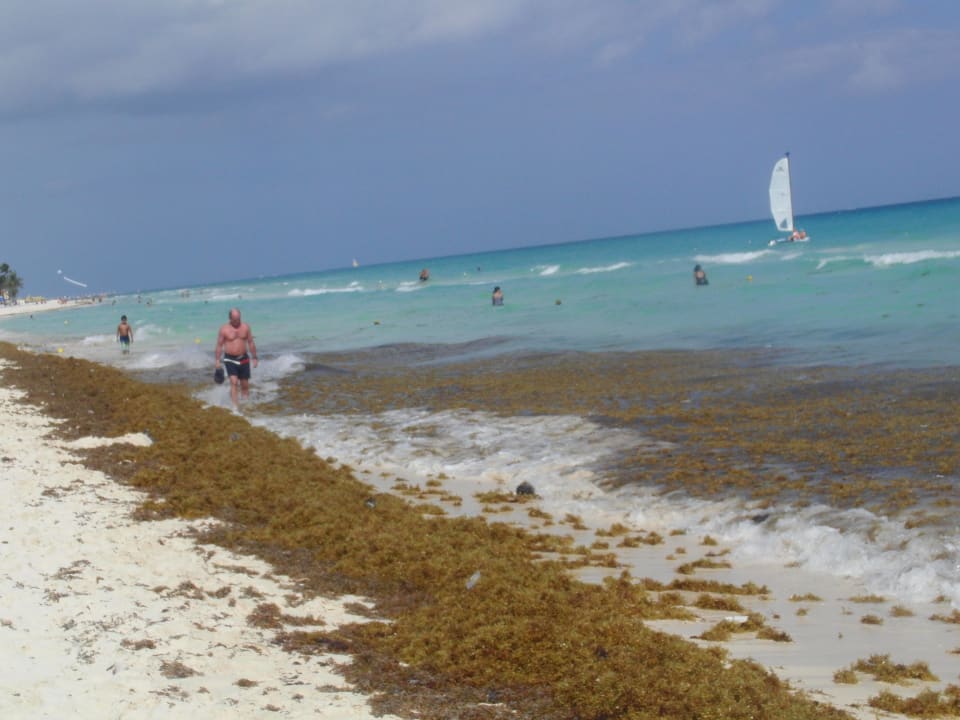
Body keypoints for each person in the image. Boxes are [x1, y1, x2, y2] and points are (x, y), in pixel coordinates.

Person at [214, 307, 258, 406]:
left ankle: (246, 405)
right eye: (235, 320)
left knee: (245, 385)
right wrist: (217, 360)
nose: (238, 321)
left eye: (239, 319)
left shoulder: (245, 327)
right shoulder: (224, 329)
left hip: (244, 358)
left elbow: (250, 342)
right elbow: (219, 345)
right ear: (230, 319)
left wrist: (254, 357)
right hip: (230, 359)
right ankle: (235, 408)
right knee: (234, 382)